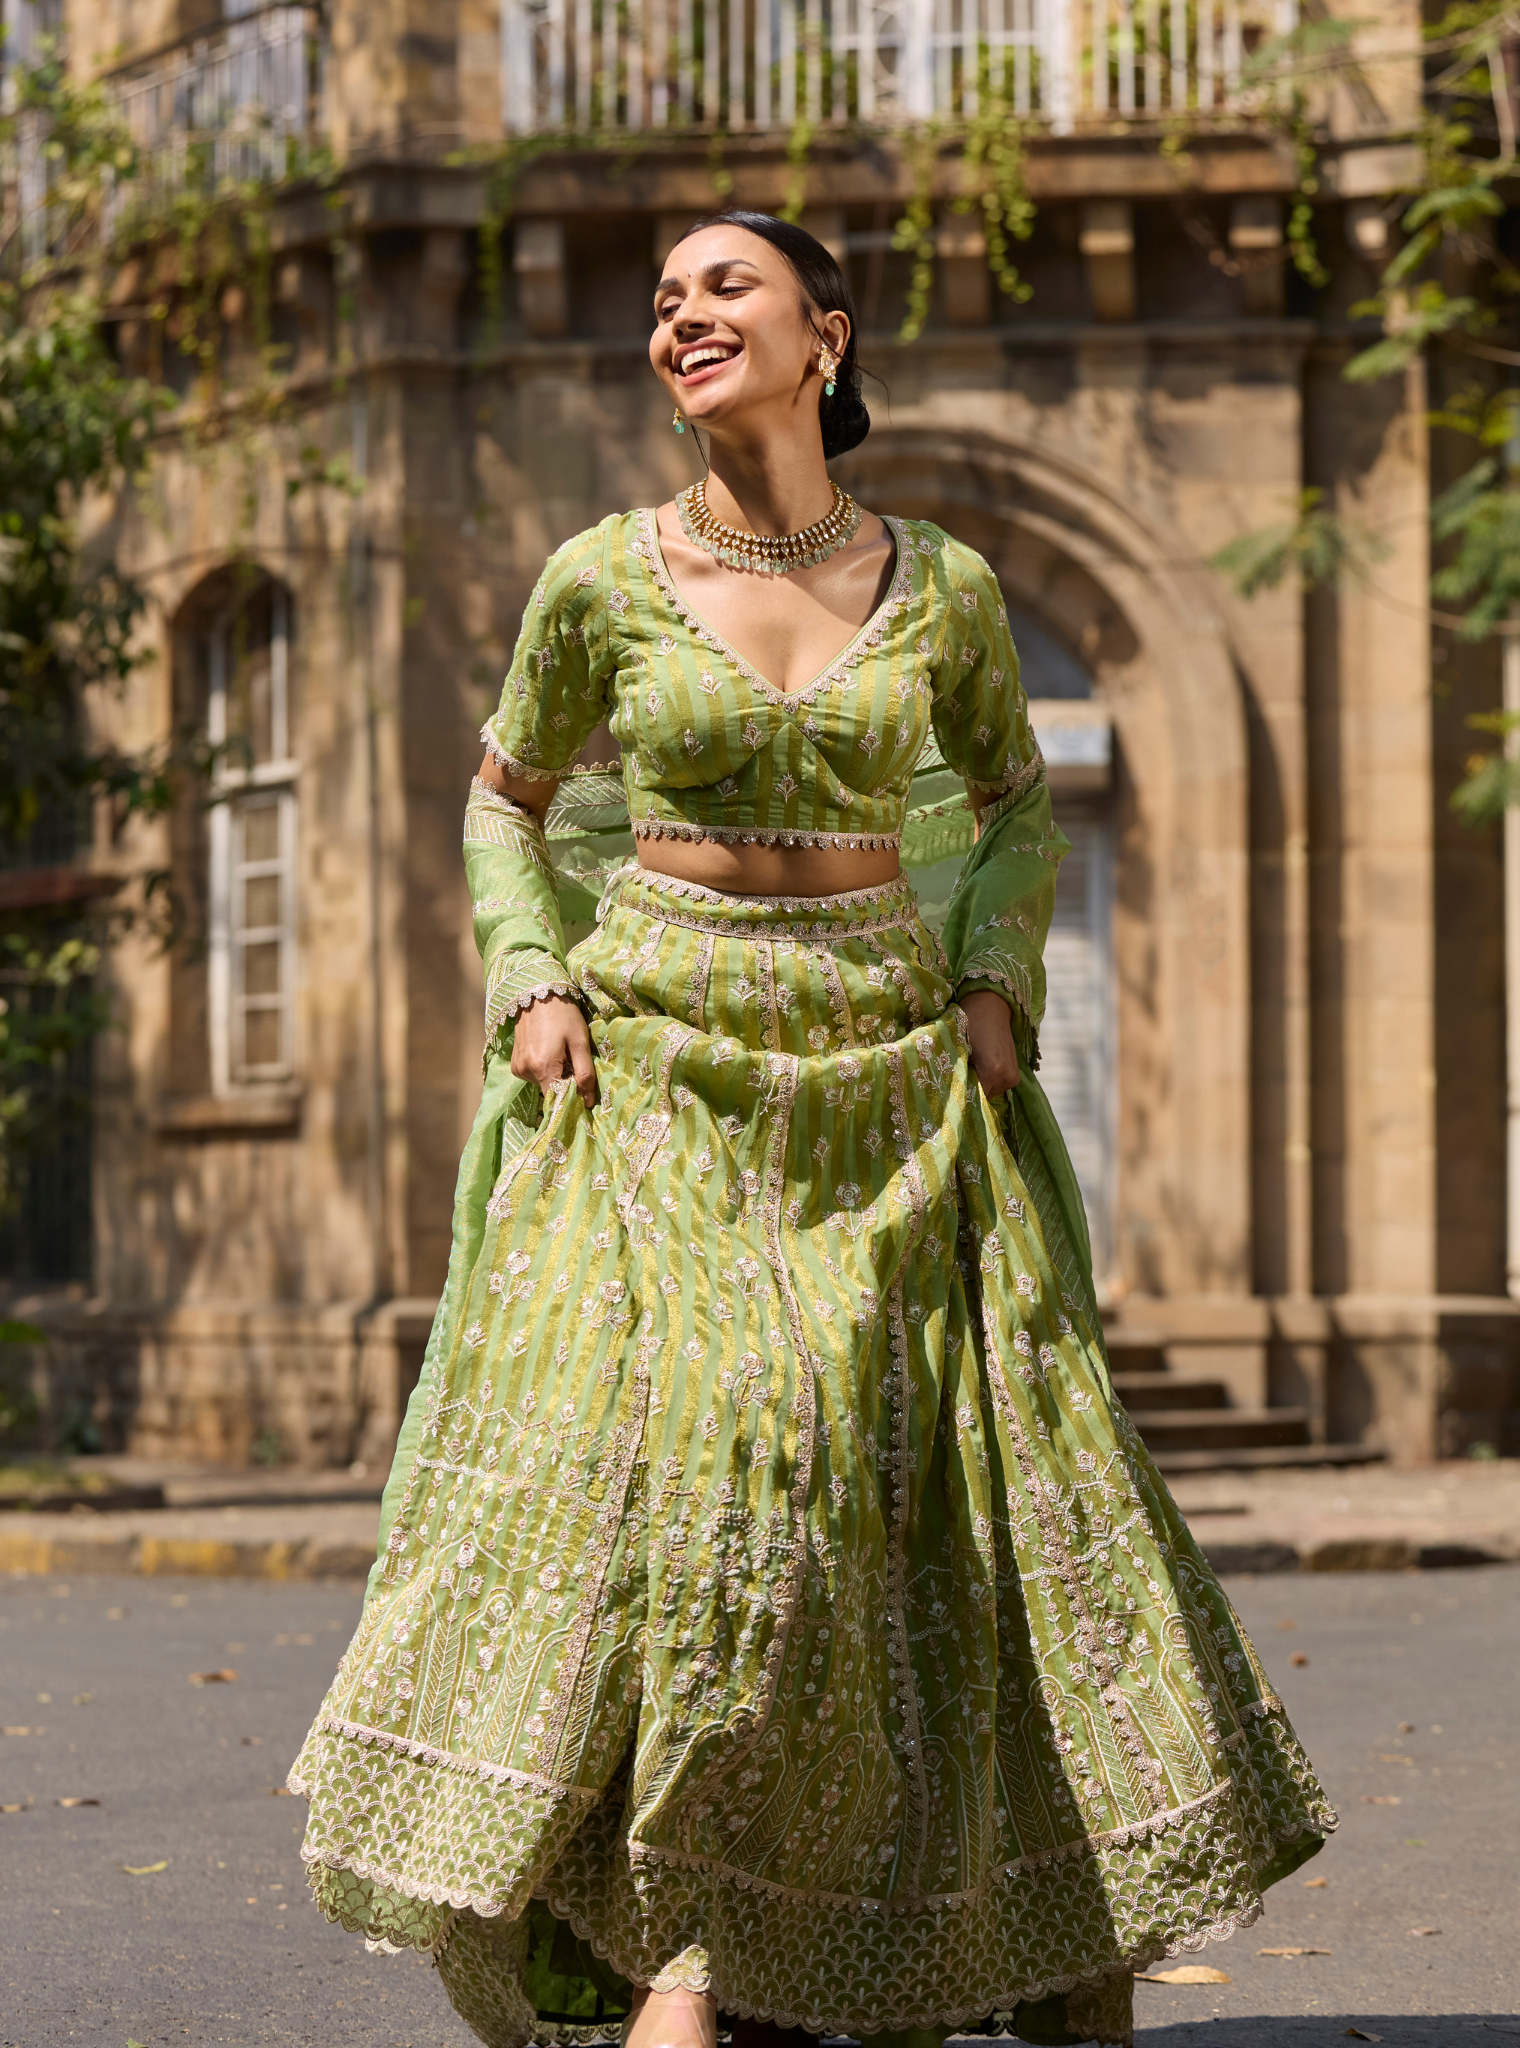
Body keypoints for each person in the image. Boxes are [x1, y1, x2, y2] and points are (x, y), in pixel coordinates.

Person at [290, 212, 1335, 2048]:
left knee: (889, 1496)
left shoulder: (944, 588)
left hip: (885, 1072)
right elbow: (502, 801)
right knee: (715, 1485)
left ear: (825, 337)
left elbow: (1016, 805)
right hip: (658, 1063)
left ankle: (897, 1930)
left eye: (725, 287)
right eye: (663, 298)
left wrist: (995, 976)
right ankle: (679, 1958)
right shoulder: (600, 577)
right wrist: (532, 977)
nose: (681, 316)